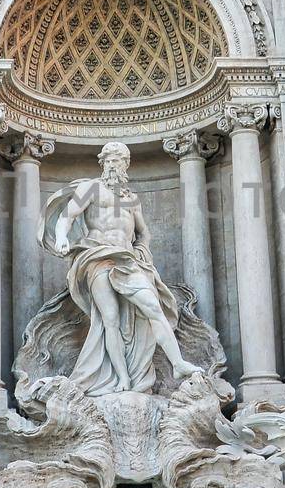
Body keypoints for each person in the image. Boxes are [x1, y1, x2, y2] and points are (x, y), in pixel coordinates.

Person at [43, 142, 203, 396]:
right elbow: (67, 216)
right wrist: (62, 237)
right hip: (97, 255)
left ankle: (178, 363)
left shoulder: (131, 198)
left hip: (127, 259)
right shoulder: (91, 189)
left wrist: (143, 252)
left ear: (126, 165)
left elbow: (144, 233)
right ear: (102, 163)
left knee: (153, 306)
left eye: (118, 160)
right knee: (110, 319)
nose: (113, 164)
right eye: (109, 160)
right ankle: (122, 379)